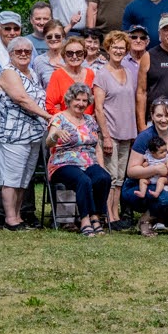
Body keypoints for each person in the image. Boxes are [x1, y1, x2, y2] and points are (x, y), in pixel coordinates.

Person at [0, 37, 49, 230]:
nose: (24, 54)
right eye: (19, 51)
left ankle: (18, 215)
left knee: (24, 178)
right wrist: (48, 116)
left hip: (32, 134)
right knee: (11, 177)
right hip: (12, 134)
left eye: (27, 51)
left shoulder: (31, 72)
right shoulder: (8, 73)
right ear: (10, 54)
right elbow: (21, 98)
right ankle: (10, 218)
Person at [46, 83, 112, 237]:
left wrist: (101, 167)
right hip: (63, 163)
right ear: (69, 100)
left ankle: (96, 216)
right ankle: (85, 220)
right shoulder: (59, 118)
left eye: (84, 100)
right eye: (77, 99)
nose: (81, 104)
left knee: (104, 178)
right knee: (83, 180)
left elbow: (96, 147)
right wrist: (56, 135)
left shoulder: (90, 120)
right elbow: (49, 142)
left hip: (88, 162)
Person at [93, 31, 139, 229]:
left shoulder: (128, 72)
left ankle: (116, 213)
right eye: (115, 47)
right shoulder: (102, 74)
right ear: (108, 48)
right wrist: (106, 136)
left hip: (127, 132)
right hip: (110, 132)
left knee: (120, 178)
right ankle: (109, 216)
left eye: (122, 48)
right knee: (110, 177)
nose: (118, 51)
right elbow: (98, 107)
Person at [122, 98, 168, 236]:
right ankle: (145, 220)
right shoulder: (144, 137)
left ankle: (160, 217)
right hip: (139, 187)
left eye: (167, 115)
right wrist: (155, 169)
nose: (163, 120)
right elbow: (131, 171)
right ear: (152, 116)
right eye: (159, 115)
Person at [45, 36, 95, 116]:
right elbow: (50, 105)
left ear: (84, 55)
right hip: (66, 124)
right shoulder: (57, 75)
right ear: (64, 56)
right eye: (70, 53)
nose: (74, 57)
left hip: (88, 124)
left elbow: (95, 102)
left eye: (79, 53)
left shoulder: (90, 74)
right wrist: (68, 120)